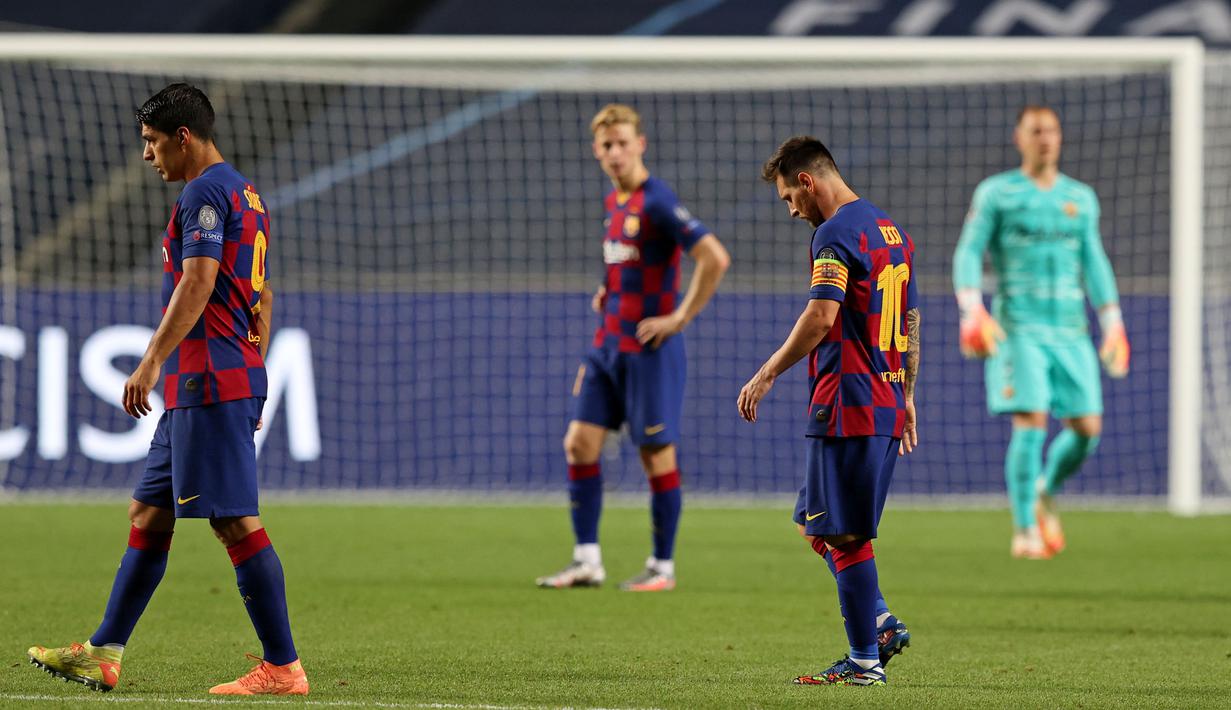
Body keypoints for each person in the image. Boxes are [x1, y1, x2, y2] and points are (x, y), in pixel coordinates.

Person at [27, 83, 308, 696]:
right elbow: (261, 292)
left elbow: (199, 282)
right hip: (213, 377)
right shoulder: (246, 191)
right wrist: (253, 361)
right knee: (148, 513)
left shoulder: (204, 191)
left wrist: (151, 360)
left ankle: (283, 667)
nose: (147, 155)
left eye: (153, 142)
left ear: (185, 137)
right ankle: (104, 651)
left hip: (208, 377)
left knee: (234, 522)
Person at [739, 136, 918, 686]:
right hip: (885, 399)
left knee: (844, 536)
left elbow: (821, 316)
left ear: (808, 181)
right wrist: (908, 395)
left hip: (848, 403)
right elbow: (909, 322)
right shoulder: (893, 232)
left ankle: (865, 661)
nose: (791, 208)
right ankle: (881, 622)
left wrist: (768, 370)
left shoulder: (835, 232)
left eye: (789, 196)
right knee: (813, 523)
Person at [536, 104, 730, 592]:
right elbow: (624, 264)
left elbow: (714, 257)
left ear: (640, 144)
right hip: (607, 347)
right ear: (596, 151)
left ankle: (662, 567)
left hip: (650, 350)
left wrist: (680, 318)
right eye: (606, 145)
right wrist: (607, 290)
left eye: (623, 142)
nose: (615, 152)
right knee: (578, 443)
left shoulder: (657, 201)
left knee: (654, 456)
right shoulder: (614, 203)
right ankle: (587, 561)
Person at [953, 105, 1129, 559]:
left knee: (1087, 430)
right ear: (1020, 138)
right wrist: (971, 310)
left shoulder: (1080, 198)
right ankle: (1025, 529)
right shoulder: (998, 193)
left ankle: (1044, 487)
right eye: (1036, 131)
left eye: (1051, 130)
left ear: (1060, 137)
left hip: (1071, 329)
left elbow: (1095, 262)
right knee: (1031, 421)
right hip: (1019, 328)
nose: (1045, 138)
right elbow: (969, 251)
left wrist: (1113, 323)